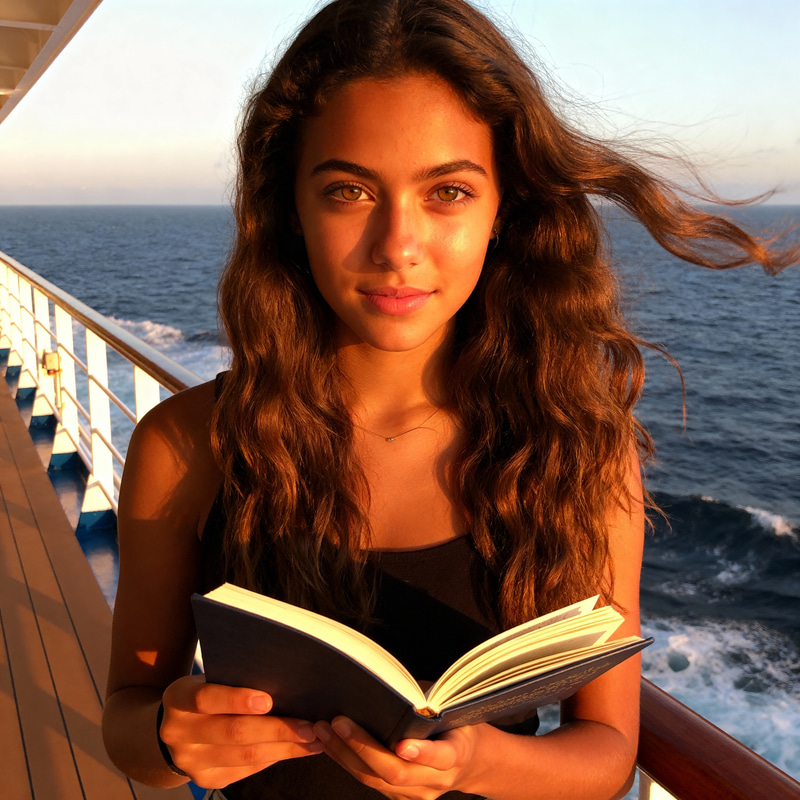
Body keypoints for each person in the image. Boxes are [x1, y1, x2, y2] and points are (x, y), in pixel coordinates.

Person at [101, 1, 798, 798]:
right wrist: (171, 734)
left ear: (505, 208)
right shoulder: (186, 448)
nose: (399, 245)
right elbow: (128, 725)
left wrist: (478, 763)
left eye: (449, 193)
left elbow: (607, 749)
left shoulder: (576, 453)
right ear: (289, 208)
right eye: (349, 192)